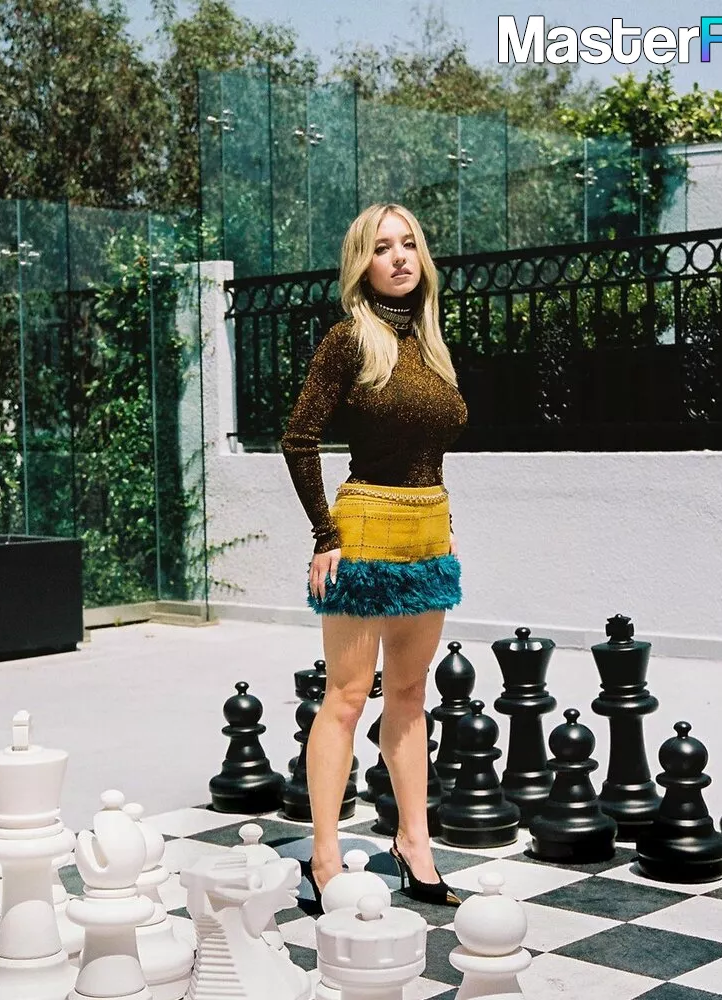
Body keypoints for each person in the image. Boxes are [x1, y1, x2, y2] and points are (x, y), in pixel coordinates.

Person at [280, 202, 467, 907]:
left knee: (412, 695)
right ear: (362, 265)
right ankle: (325, 857)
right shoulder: (348, 340)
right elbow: (299, 438)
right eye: (382, 247)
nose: (398, 257)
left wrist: (447, 523)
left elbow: (427, 449)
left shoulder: (432, 345)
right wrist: (324, 535)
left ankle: (414, 843)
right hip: (363, 530)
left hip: (429, 531)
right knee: (348, 697)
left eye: (408, 243)